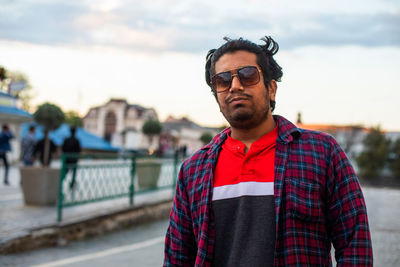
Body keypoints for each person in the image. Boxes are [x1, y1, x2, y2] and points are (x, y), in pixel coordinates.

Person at [164, 36, 373, 266]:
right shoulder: (193, 170)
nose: (235, 85)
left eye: (248, 75)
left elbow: (355, 245)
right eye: (223, 80)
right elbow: (177, 258)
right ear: (217, 96)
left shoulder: (322, 153)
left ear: (271, 88)